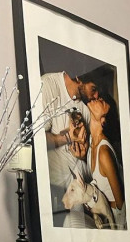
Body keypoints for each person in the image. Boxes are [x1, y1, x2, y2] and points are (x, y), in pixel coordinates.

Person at [40, 71, 100, 227]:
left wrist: (83, 155)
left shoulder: (85, 107)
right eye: (93, 89)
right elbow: (36, 138)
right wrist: (67, 138)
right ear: (79, 78)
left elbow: (90, 150)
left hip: (81, 183)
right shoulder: (48, 85)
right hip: (55, 183)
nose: (96, 95)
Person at [87, 96, 126, 229]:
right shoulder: (92, 143)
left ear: (103, 120)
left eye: (102, 101)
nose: (97, 98)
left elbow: (121, 204)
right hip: (103, 217)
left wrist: (118, 232)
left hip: (115, 219)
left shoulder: (104, 152)